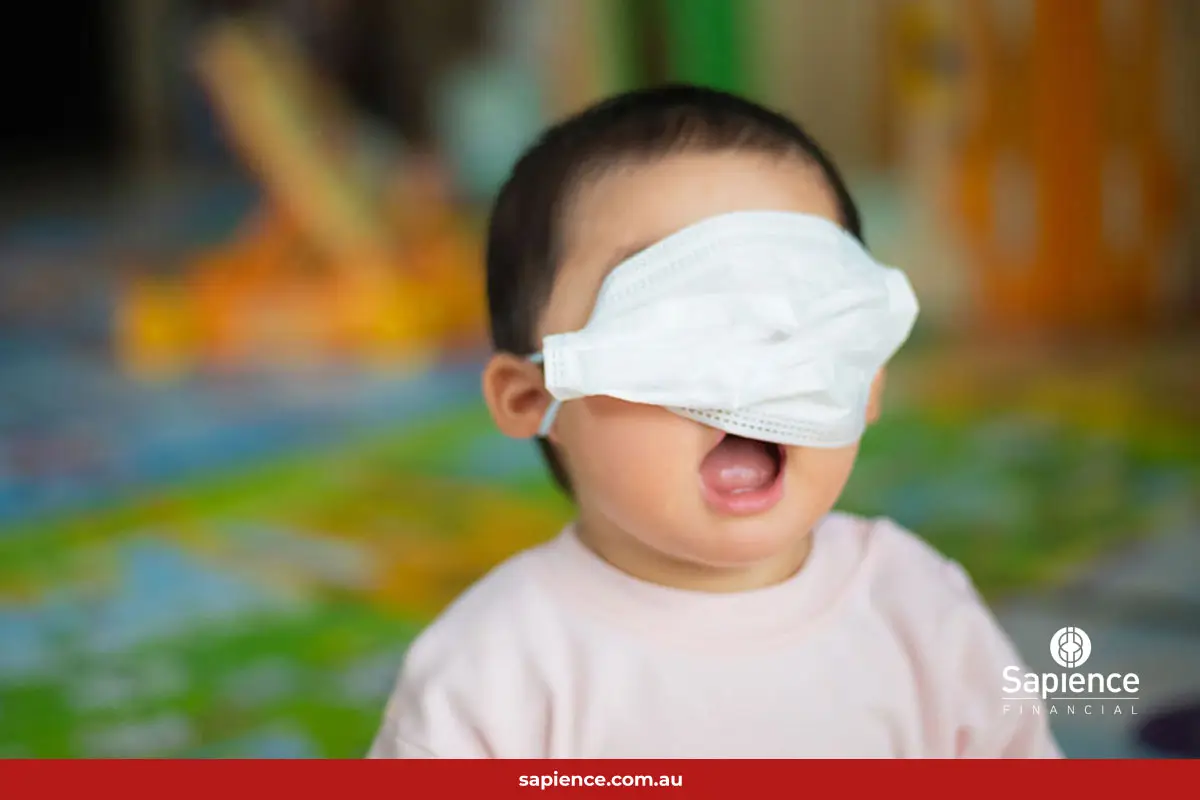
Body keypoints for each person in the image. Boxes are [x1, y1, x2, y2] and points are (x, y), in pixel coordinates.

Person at [369, 84, 1061, 758]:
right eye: (683, 320)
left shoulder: (920, 611)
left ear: (867, 378)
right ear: (532, 396)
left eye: (795, 317)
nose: (751, 374)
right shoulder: (490, 676)